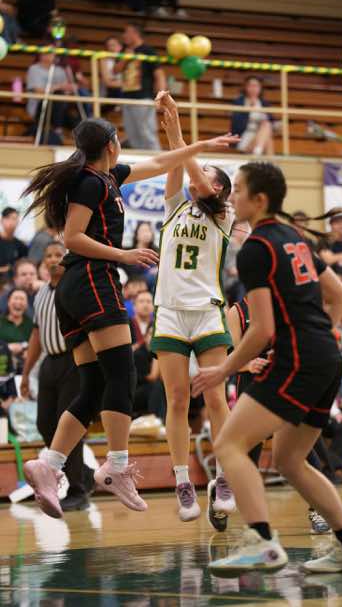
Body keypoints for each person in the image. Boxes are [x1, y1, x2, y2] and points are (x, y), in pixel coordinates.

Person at [21, 115, 237, 520]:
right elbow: (72, 237)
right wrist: (123, 255)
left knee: (94, 386)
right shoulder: (93, 183)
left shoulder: (113, 176)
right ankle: (118, 467)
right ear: (111, 145)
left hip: (85, 286)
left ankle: (50, 464)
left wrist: (186, 139)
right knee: (123, 374)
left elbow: (162, 162)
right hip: (94, 280)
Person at [192, 161, 342, 574]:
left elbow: (261, 329)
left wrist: (223, 370)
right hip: (326, 358)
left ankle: (261, 542)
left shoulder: (257, 248)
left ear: (259, 199)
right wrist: (319, 336)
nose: (232, 196)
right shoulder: (296, 238)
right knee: (290, 460)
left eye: (239, 189)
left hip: (299, 359)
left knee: (228, 444)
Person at [152, 91, 238, 525]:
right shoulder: (174, 208)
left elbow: (193, 173)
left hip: (206, 310)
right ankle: (183, 480)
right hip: (169, 310)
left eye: (205, 172)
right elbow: (176, 160)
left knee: (217, 397)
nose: (197, 175)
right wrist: (169, 124)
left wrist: (179, 127)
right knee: (177, 398)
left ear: (218, 187)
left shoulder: (223, 213)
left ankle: (223, 476)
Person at [227, 296, 332, 537]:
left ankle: (317, 509)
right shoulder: (237, 311)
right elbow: (230, 354)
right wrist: (247, 364)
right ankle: (226, 498)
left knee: (302, 450)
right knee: (247, 459)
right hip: (251, 389)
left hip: (282, 385)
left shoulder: (283, 304)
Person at [20, 242, 91, 512]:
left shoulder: (75, 288)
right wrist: (26, 373)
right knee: (44, 423)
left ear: (67, 259)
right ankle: (83, 473)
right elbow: (36, 335)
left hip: (74, 360)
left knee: (68, 425)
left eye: (58, 255)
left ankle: (78, 490)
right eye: (48, 255)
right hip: (49, 362)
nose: (52, 259)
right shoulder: (40, 294)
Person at [114, 24, 166, 150]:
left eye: (127, 32)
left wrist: (161, 96)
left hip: (143, 98)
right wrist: (126, 58)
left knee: (147, 132)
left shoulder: (148, 51)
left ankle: (157, 158)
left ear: (135, 33)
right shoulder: (124, 50)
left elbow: (159, 74)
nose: (124, 36)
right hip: (127, 98)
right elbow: (116, 70)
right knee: (132, 134)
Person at [26, 50, 73, 144]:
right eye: (48, 53)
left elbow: (66, 90)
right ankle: (58, 129)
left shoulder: (60, 70)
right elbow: (38, 91)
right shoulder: (34, 69)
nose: (51, 55)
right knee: (57, 95)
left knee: (64, 98)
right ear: (41, 55)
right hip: (40, 106)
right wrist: (58, 87)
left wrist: (70, 88)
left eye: (52, 53)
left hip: (60, 107)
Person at [231, 76, 274, 156]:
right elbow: (236, 125)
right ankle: (260, 154)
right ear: (246, 87)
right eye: (251, 85)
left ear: (260, 88)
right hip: (245, 135)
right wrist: (249, 109)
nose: (253, 88)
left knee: (267, 127)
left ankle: (257, 152)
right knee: (267, 136)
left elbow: (271, 121)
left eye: (256, 86)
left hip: (261, 134)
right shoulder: (239, 102)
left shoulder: (264, 103)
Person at [0, 289, 33, 374]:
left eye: (22, 299)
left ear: (27, 304)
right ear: (8, 302)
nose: (18, 302)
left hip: (26, 370)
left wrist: (27, 351)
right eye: (15, 298)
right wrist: (7, 348)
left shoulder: (32, 324)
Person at [0, 207, 28, 281]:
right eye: (8, 218)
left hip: (13, 281)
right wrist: (4, 269)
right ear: (1, 220)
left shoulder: (21, 245)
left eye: (14, 219)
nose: (11, 222)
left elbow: (23, 265)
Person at [100, 37, 123, 101]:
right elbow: (108, 83)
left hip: (123, 91)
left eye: (114, 45)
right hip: (109, 93)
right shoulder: (104, 60)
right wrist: (126, 85)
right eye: (109, 46)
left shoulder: (125, 59)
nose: (111, 48)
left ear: (120, 47)